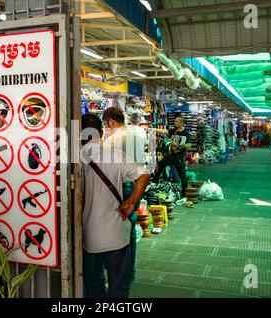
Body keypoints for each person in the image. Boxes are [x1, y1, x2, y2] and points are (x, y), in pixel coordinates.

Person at [81, 113, 150, 298]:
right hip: (116, 235)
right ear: (101, 132)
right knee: (119, 286)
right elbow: (144, 175)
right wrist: (131, 202)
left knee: (93, 285)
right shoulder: (115, 155)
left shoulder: (73, 161)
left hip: (89, 237)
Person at [102, 107, 147, 283]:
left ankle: (118, 276)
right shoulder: (137, 134)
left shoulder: (112, 139)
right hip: (137, 185)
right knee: (130, 230)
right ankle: (130, 273)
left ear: (111, 122)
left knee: (117, 232)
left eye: (106, 125)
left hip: (120, 188)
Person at [152, 115, 191, 196]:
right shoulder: (174, 130)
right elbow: (164, 131)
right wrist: (153, 129)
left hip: (180, 156)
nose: (175, 123)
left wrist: (177, 144)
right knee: (161, 163)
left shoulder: (186, 133)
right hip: (172, 155)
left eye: (177, 121)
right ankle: (155, 181)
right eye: (175, 121)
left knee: (182, 174)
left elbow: (188, 146)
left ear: (182, 123)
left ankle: (184, 192)